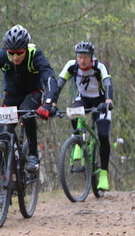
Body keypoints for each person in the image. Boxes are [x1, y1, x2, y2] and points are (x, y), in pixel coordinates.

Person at [0, 25, 57, 172]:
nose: (15, 57)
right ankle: (7, 181)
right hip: (11, 97)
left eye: (19, 53)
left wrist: (48, 104)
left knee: (27, 112)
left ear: (25, 49)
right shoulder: (2, 55)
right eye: (11, 53)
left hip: (32, 94)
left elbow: (49, 79)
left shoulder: (35, 55)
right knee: (1, 139)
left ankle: (32, 154)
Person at [42, 41, 114, 190]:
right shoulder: (71, 66)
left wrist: (108, 101)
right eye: (79, 57)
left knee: (103, 135)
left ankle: (103, 174)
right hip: (83, 99)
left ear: (91, 57)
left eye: (85, 57)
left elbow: (107, 83)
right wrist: (52, 104)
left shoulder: (99, 67)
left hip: (100, 102)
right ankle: (78, 141)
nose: (82, 60)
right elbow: (58, 84)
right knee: (73, 113)